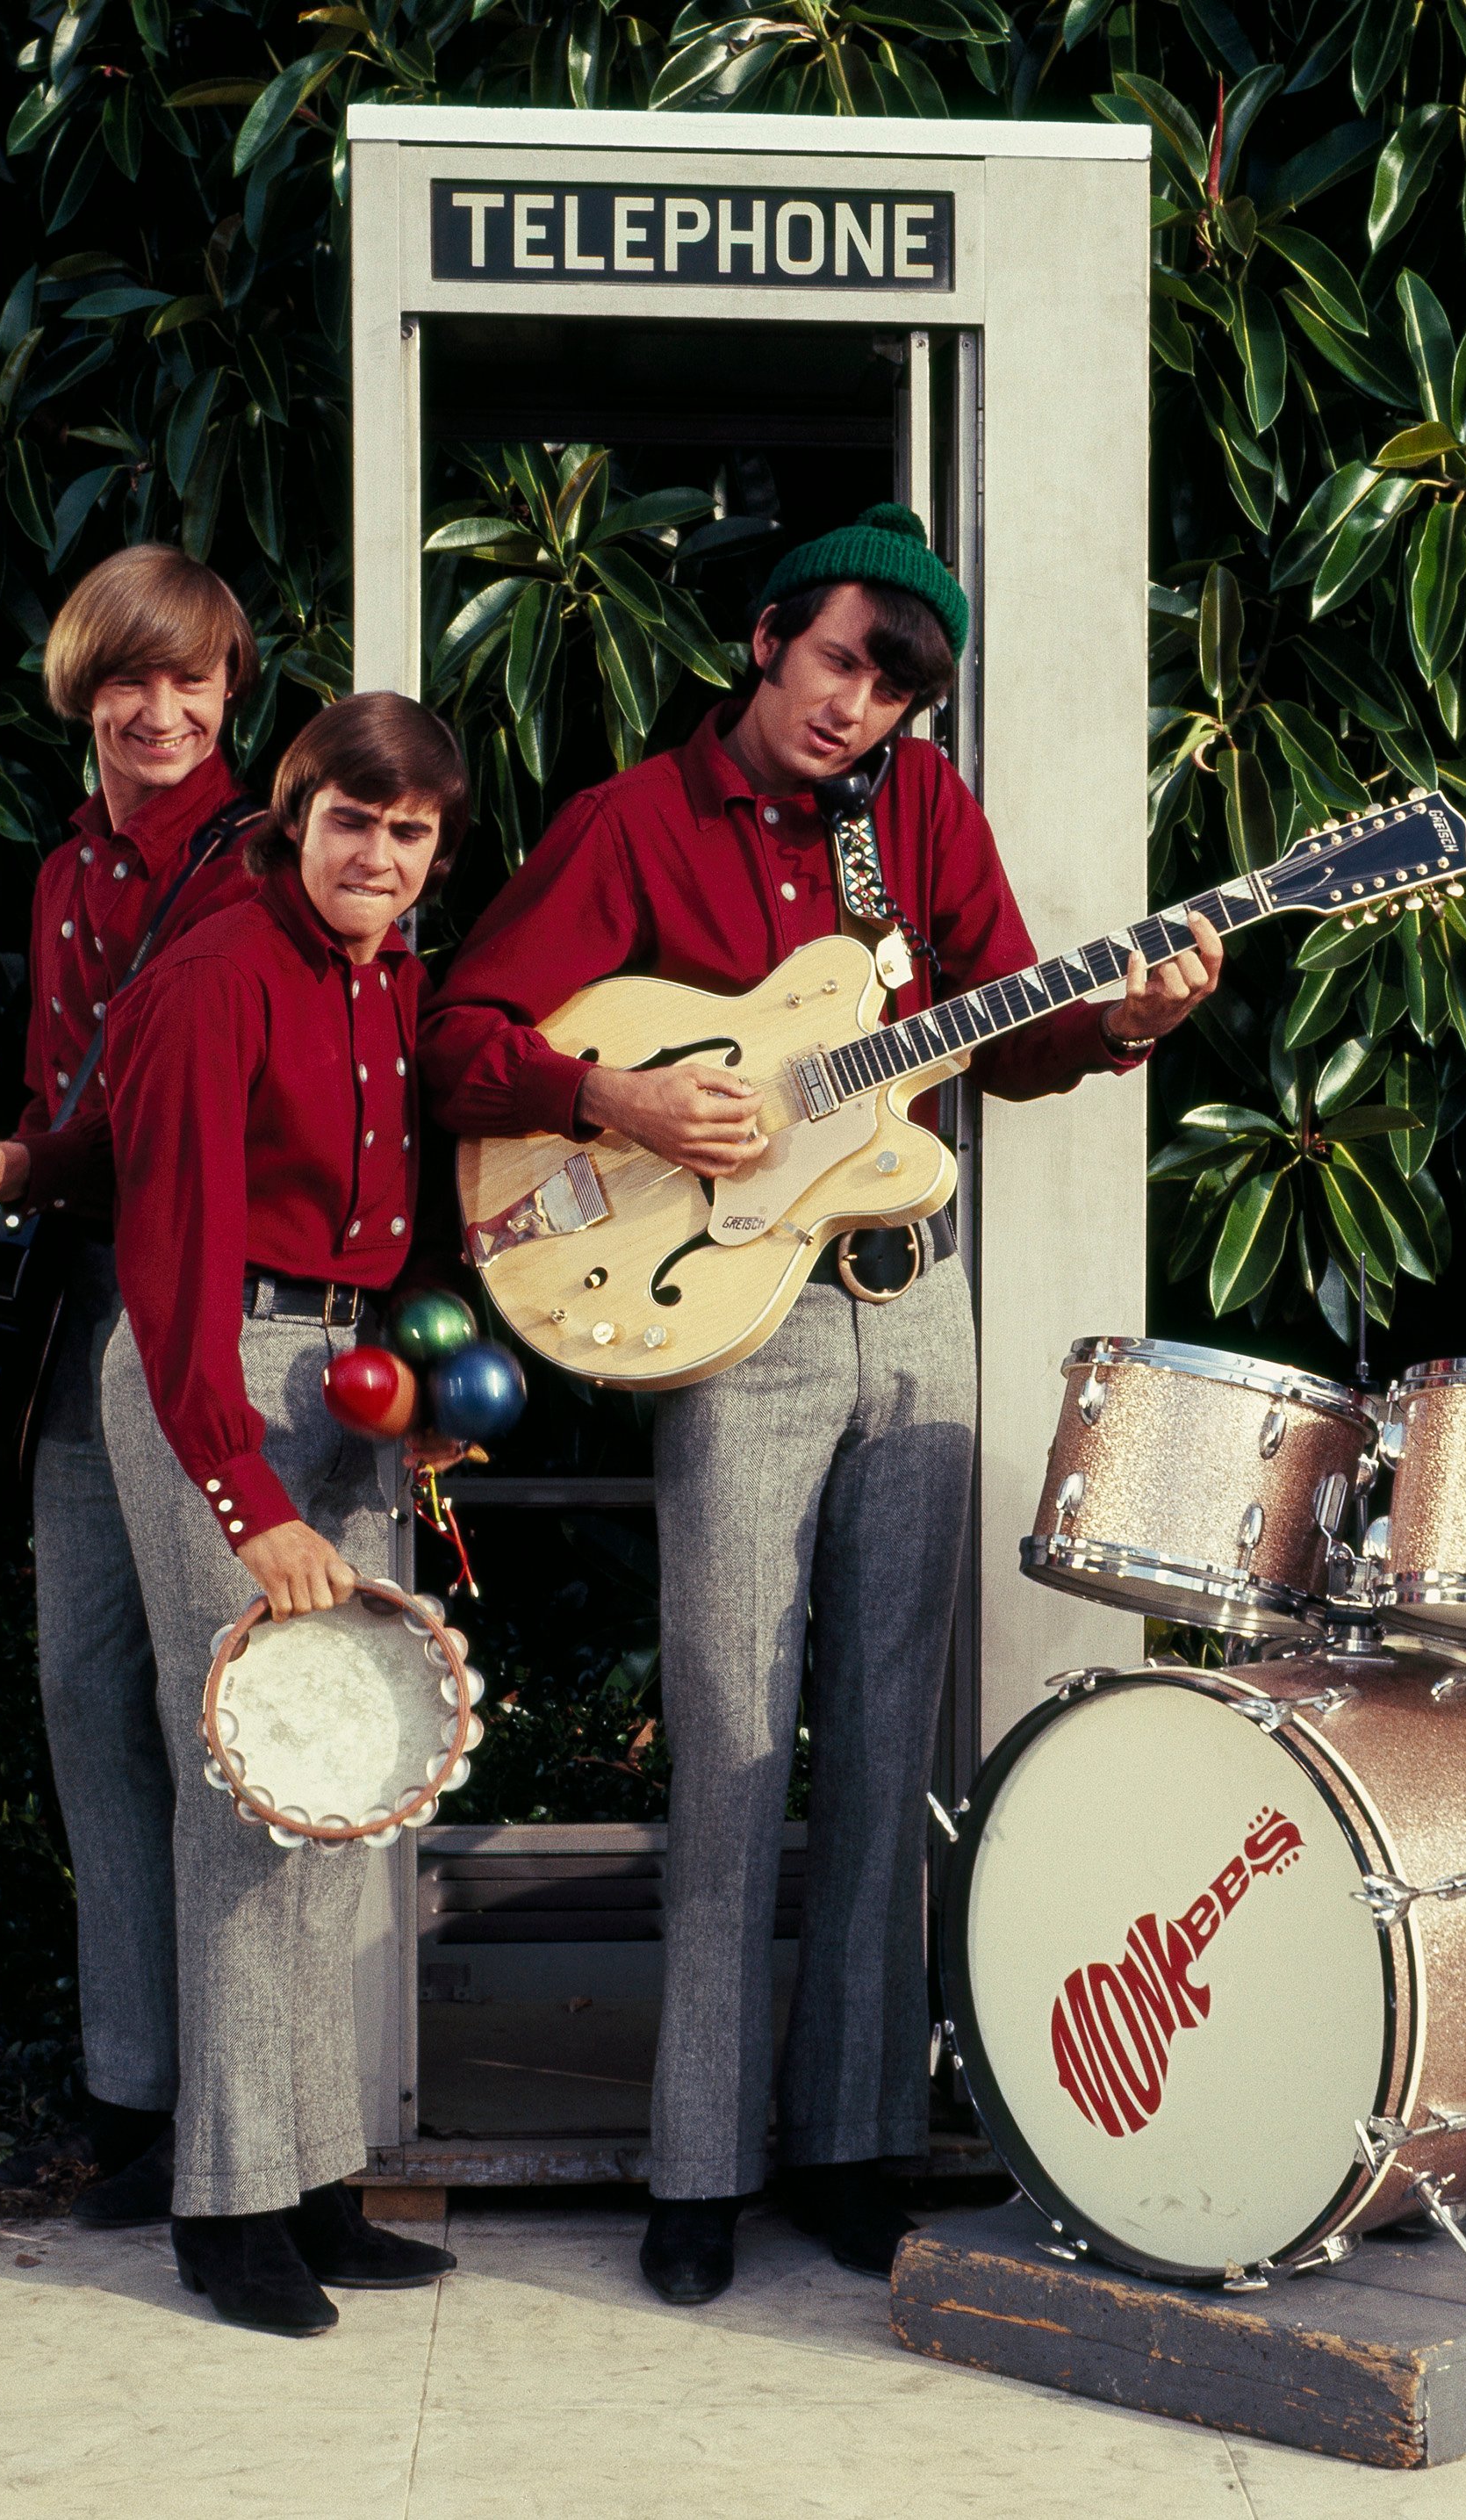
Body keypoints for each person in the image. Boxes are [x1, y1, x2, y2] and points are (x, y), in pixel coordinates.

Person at [421, 504, 1222, 2306]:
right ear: (771, 636)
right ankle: (694, 2162)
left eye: (899, 688)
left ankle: (855, 2143)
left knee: (881, 1741)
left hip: (911, 1311)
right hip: (734, 1327)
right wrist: (618, 1099)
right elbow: (462, 1038)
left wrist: (1124, 1021)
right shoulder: (632, 824)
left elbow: (1002, 1035)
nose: (863, 707)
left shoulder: (921, 822)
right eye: (847, 660)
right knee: (727, 1735)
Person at [0, 545, 266, 2225]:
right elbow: (52, 1102)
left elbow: (148, 1120)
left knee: (219, 1720)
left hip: (211, 1302)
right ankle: (136, 2095)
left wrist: (24, 1158)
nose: (163, 709)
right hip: (73, 1304)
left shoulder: (271, 859)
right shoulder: (58, 879)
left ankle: (244, 2117)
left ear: (232, 688)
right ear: (83, 690)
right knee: (85, 1697)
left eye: (192, 679)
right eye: (134, 680)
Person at [100, 691, 472, 2335]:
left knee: (352, 1786)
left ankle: (317, 2173)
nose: (378, 858)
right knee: (254, 1796)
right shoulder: (212, 976)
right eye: (352, 823)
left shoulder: (388, 973)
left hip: (344, 1378)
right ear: (294, 812)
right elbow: (167, 1274)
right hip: (220, 1382)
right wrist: (243, 1496)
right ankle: (228, 2203)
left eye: (410, 836)